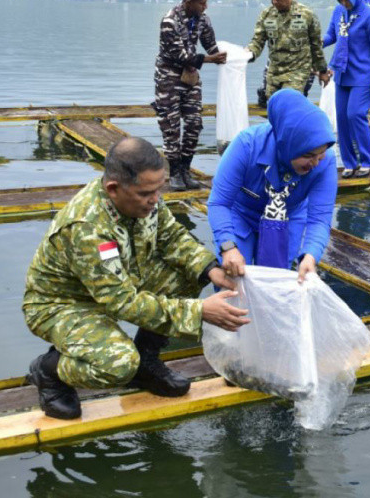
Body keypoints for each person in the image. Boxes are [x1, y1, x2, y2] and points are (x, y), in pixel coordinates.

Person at [23, 137, 249, 419]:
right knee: (118, 365)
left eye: (159, 189)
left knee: (188, 273)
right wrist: (200, 311)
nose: (154, 200)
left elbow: (171, 237)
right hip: (62, 305)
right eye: (146, 193)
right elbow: (121, 302)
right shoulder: (87, 227)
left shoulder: (144, 197)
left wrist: (210, 269)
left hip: (117, 281)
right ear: (114, 189)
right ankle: (48, 371)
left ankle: (147, 363)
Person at [207, 89, 337, 282]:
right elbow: (219, 203)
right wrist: (228, 245)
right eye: (308, 156)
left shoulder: (325, 163)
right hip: (242, 214)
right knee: (232, 275)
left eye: (321, 155)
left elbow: (319, 218)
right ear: (288, 145)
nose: (316, 163)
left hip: (288, 217)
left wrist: (310, 255)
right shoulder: (246, 146)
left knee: (278, 281)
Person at [154, 0, 226, 191]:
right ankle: (174, 172)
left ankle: (186, 170)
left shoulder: (203, 19)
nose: (205, 7)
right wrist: (210, 59)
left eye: (206, 2)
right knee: (171, 126)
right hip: (168, 77)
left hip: (191, 77)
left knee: (195, 123)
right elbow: (180, 55)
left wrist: (235, 58)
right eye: (201, 3)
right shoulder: (170, 21)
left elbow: (211, 46)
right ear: (188, 2)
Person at [323, 0, 370, 178]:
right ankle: (349, 163)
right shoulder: (339, 11)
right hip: (342, 73)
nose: (344, 2)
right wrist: (313, 42)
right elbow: (331, 36)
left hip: (363, 75)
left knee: (355, 114)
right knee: (341, 119)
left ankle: (368, 161)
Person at [246, 0, 330, 101]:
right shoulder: (267, 15)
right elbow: (257, 41)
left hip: (298, 72)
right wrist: (248, 54)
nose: (274, 2)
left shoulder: (306, 15)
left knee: (288, 102)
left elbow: (316, 46)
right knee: (274, 110)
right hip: (274, 73)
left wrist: (322, 71)